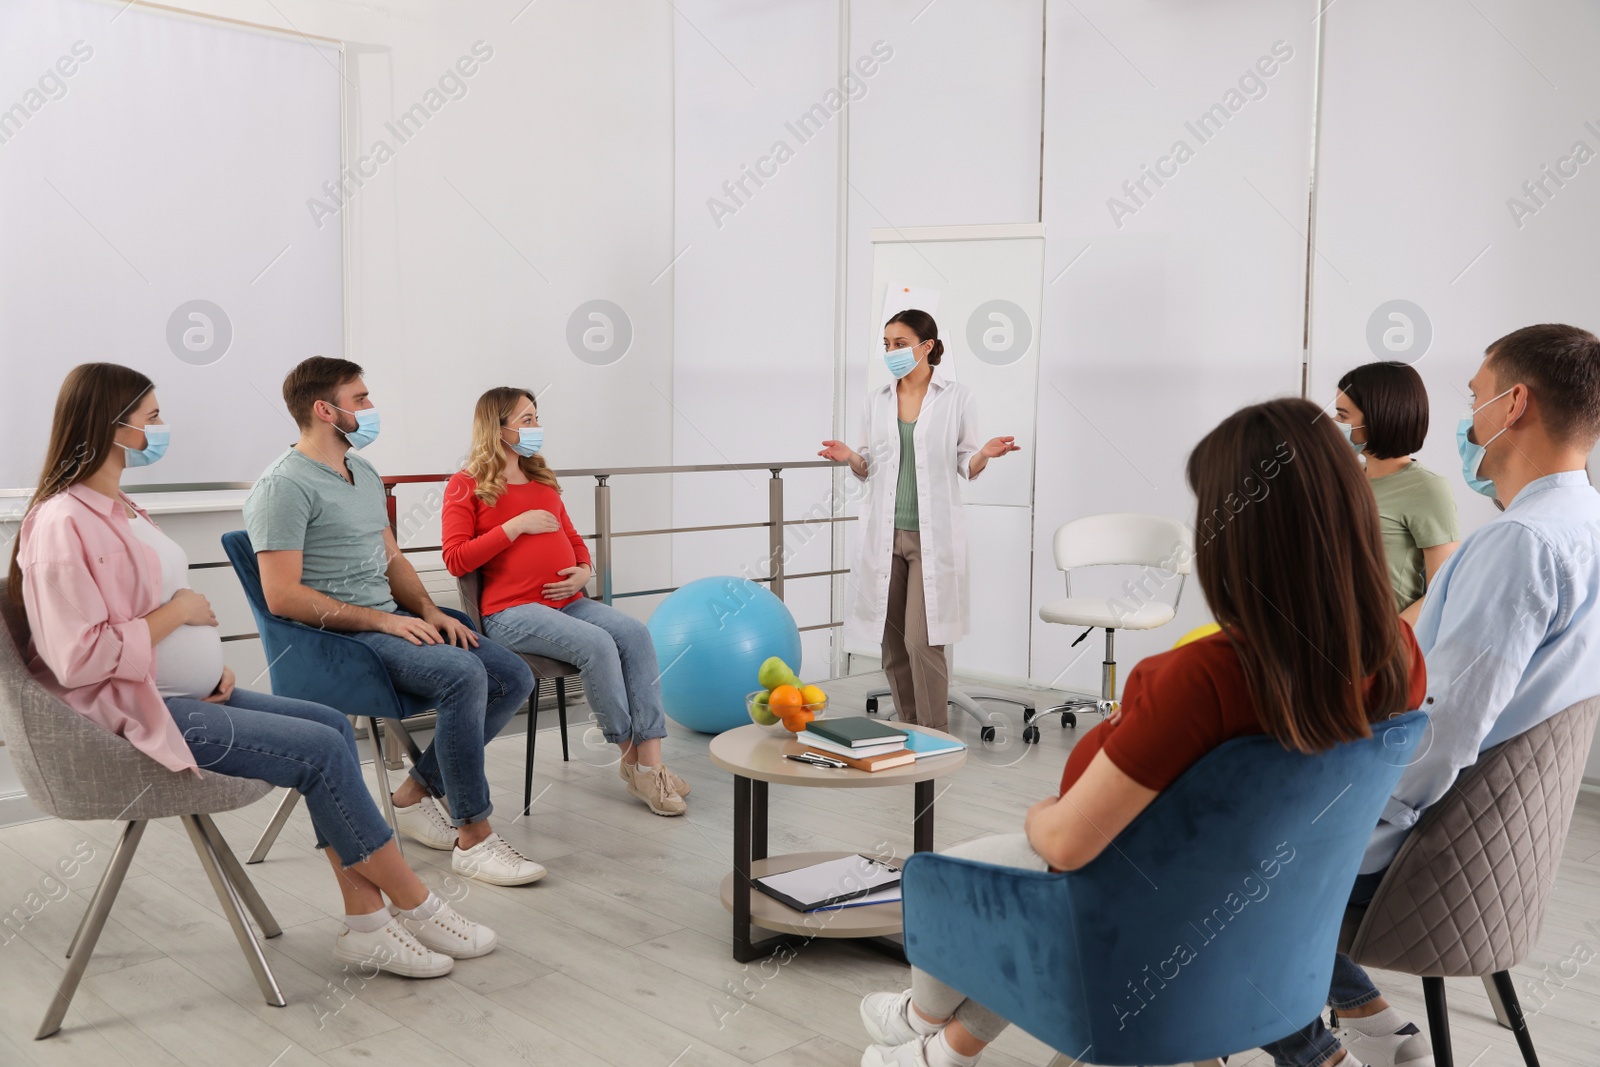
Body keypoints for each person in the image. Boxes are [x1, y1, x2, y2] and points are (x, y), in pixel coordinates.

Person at [856, 396, 1428, 1067]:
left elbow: (1069, 844)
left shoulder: (1199, 678)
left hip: (1139, 925)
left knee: (944, 877)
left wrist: (1045, 816)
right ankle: (938, 1048)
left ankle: (923, 1017)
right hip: (1268, 920)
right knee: (1060, 897)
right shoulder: (1398, 654)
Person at [9, 363, 495, 978]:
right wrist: (178, 614)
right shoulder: (60, 521)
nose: (163, 429)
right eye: (152, 416)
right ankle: (415, 904)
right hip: (133, 715)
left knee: (329, 727)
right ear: (112, 426)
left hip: (182, 694)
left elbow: (128, 615)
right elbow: (76, 659)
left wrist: (206, 670)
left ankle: (365, 924)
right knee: (318, 751)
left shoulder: (119, 505)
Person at [1265, 324, 1600, 1067]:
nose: (1468, 414)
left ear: (1513, 405)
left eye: (1475, 397)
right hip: (1495, 855)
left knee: (1222, 860)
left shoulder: (1521, 544)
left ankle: (1323, 1051)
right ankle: (1371, 1023)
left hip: (1430, 856)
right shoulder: (1585, 524)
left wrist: (1341, 816)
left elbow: (1444, 730)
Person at [244, 357, 542, 886]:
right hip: (338, 640)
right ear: (323, 409)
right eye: (360, 399)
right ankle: (473, 838)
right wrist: (384, 624)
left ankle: (414, 792)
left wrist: (427, 610)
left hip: (390, 618)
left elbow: (391, 558)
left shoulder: (361, 471)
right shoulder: (282, 486)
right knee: (464, 675)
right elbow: (283, 596)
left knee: (512, 674)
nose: (371, 408)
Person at [440, 386, 689, 816]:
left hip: (567, 600)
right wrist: (514, 526)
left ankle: (652, 762)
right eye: (527, 420)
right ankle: (636, 761)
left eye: (536, 417)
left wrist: (584, 569)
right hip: (511, 612)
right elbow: (456, 558)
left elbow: (572, 539)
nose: (537, 427)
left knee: (634, 633)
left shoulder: (541, 480)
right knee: (597, 645)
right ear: (497, 428)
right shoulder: (466, 486)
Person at [820, 310, 1019, 729]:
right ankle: (909, 729)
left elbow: (965, 462)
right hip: (883, 534)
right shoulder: (876, 400)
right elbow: (871, 464)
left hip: (931, 536)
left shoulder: (956, 396)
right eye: (887, 343)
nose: (891, 351)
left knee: (922, 641)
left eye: (901, 343)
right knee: (892, 644)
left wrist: (985, 453)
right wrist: (850, 457)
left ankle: (936, 735)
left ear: (926, 346)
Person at [1331, 361, 1460, 625]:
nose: (1334, 423)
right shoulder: (1342, 477)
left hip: (1379, 654)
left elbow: (1443, 590)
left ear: (1378, 417)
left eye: (1343, 416)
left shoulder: (1427, 489)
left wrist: (1391, 646)